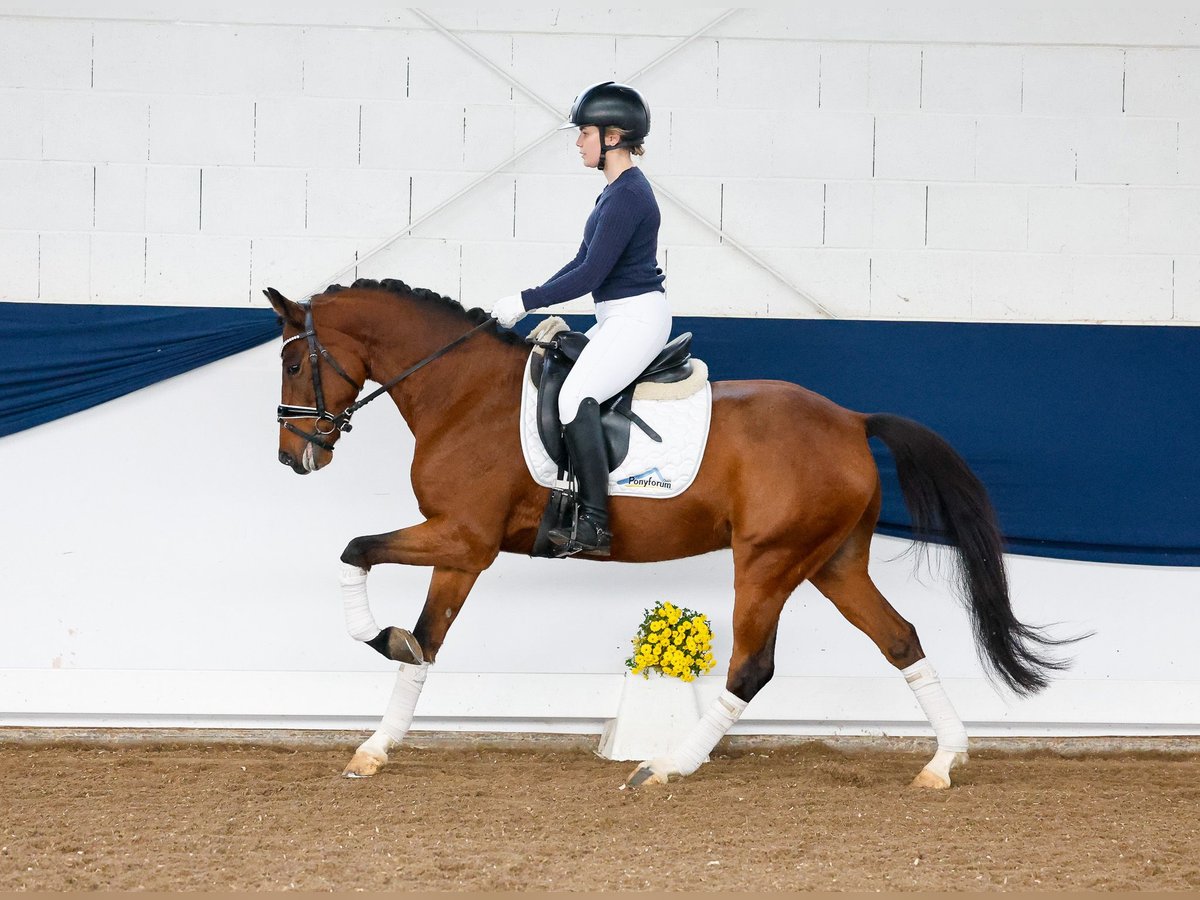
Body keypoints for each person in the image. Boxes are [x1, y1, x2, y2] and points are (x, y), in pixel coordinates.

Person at [490, 81, 670, 557]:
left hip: (637, 318)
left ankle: (594, 522)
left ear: (613, 137)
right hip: (617, 316)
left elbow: (591, 274)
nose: (578, 142)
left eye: (584, 132)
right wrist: (526, 298)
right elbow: (580, 261)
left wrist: (527, 300)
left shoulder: (630, 195)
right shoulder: (614, 192)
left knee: (574, 398)